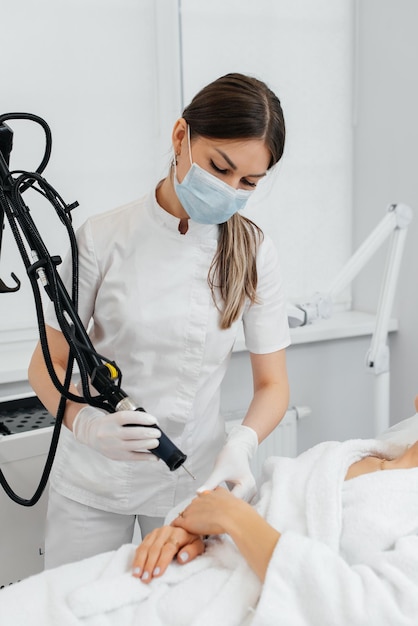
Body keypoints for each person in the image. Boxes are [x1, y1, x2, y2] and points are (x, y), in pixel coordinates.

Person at [27, 72, 291, 569]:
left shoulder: (254, 252)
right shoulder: (101, 238)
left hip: (191, 480)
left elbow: (273, 384)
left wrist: (242, 442)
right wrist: (86, 425)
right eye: (220, 167)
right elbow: (48, 363)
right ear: (180, 137)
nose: (230, 190)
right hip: (92, 481)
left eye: (248, 183)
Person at [1, 402, 418, 625]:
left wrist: (233, 519)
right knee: (24, 604)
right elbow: (253, 513)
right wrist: (190, 529)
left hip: (238, 606)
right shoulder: (339, 454)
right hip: (174, 569)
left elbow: (372, 611)